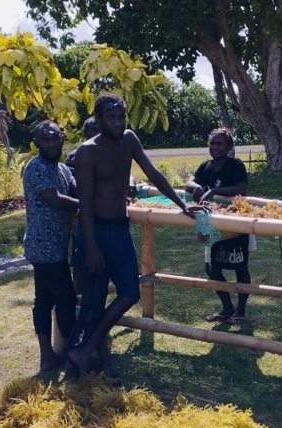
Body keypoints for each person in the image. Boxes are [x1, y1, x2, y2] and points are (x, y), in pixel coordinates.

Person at [68, 93, 199, 375]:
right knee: (95, 296)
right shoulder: (87, 152)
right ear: (99, 119)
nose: (117, 123)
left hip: (119, 229)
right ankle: (99, 359)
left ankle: (84, 349)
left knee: (129, 292)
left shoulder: (129, 139)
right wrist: (90, 246)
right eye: (110, 117)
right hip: (96, 231)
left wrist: (182, 204)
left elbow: (153, 173)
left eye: (120, 117)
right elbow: (85, 204)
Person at [22, 120, 79, 371]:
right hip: (43, 247)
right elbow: (56, 200)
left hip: (56, 245)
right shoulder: (35, 167)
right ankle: (71, 351)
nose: (50, 142)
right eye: (44, 139)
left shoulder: (64, 170)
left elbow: (76, 192)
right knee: (65, 298)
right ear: (35, 143)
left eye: (54, 137)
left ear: (62, 139)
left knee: (44, 300)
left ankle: (48, 357)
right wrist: (88, 203)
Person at [185, 128, 251, 324]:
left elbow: (241, 188)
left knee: (240, 267)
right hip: (210, 224)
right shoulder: (205, 167)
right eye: (212, 143)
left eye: (220, 143)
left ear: (229, 146)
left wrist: (214, 190)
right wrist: (196, 187)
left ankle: (240, 310)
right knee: (212, 268)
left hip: (235, 224)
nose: (215, 147)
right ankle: (227, 308)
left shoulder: (235, 165)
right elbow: (189, 182)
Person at [65, 116, 101, 293]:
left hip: (104, 218)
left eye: (100, 130)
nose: (98, 134)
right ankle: (79, 296)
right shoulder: (75, 157)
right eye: (94, 130)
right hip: (82, 219)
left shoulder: (110, 154)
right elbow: (76, 188)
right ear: (86, 134)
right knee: (80, 259)